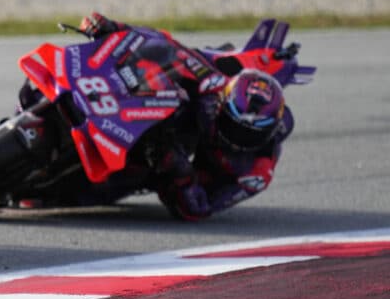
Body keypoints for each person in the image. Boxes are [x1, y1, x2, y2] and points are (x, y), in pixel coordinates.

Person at [79, 12, 293, 221]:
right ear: (222, 105)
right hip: (171, 114)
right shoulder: (215, 89)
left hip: (178, 166)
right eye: (233, 125)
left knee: (98, 191)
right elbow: (166, 44)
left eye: (249, 135)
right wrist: (114, 28)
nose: (238, 138)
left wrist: (181, 173)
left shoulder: (256, 173)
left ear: (270, 132)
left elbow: (201, 208)